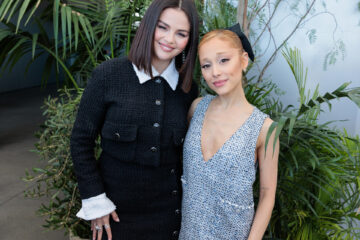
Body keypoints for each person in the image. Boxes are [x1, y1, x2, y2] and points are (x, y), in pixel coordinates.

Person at [70, 0, 199, 239]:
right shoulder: (107, 76)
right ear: (148, 26)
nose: (169, 39)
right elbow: (81, 141)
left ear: (189, 41)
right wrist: (96, 201)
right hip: (114, 215)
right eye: (162, 27)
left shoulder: (188, 90)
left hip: (169, 217)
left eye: (181, 34)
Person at [179, 24, 279, 240]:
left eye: (224, 60)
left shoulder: (265, 128)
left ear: (243, 60)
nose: (215, 72)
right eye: (206, 65)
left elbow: (267, 192)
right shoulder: (196, 109)